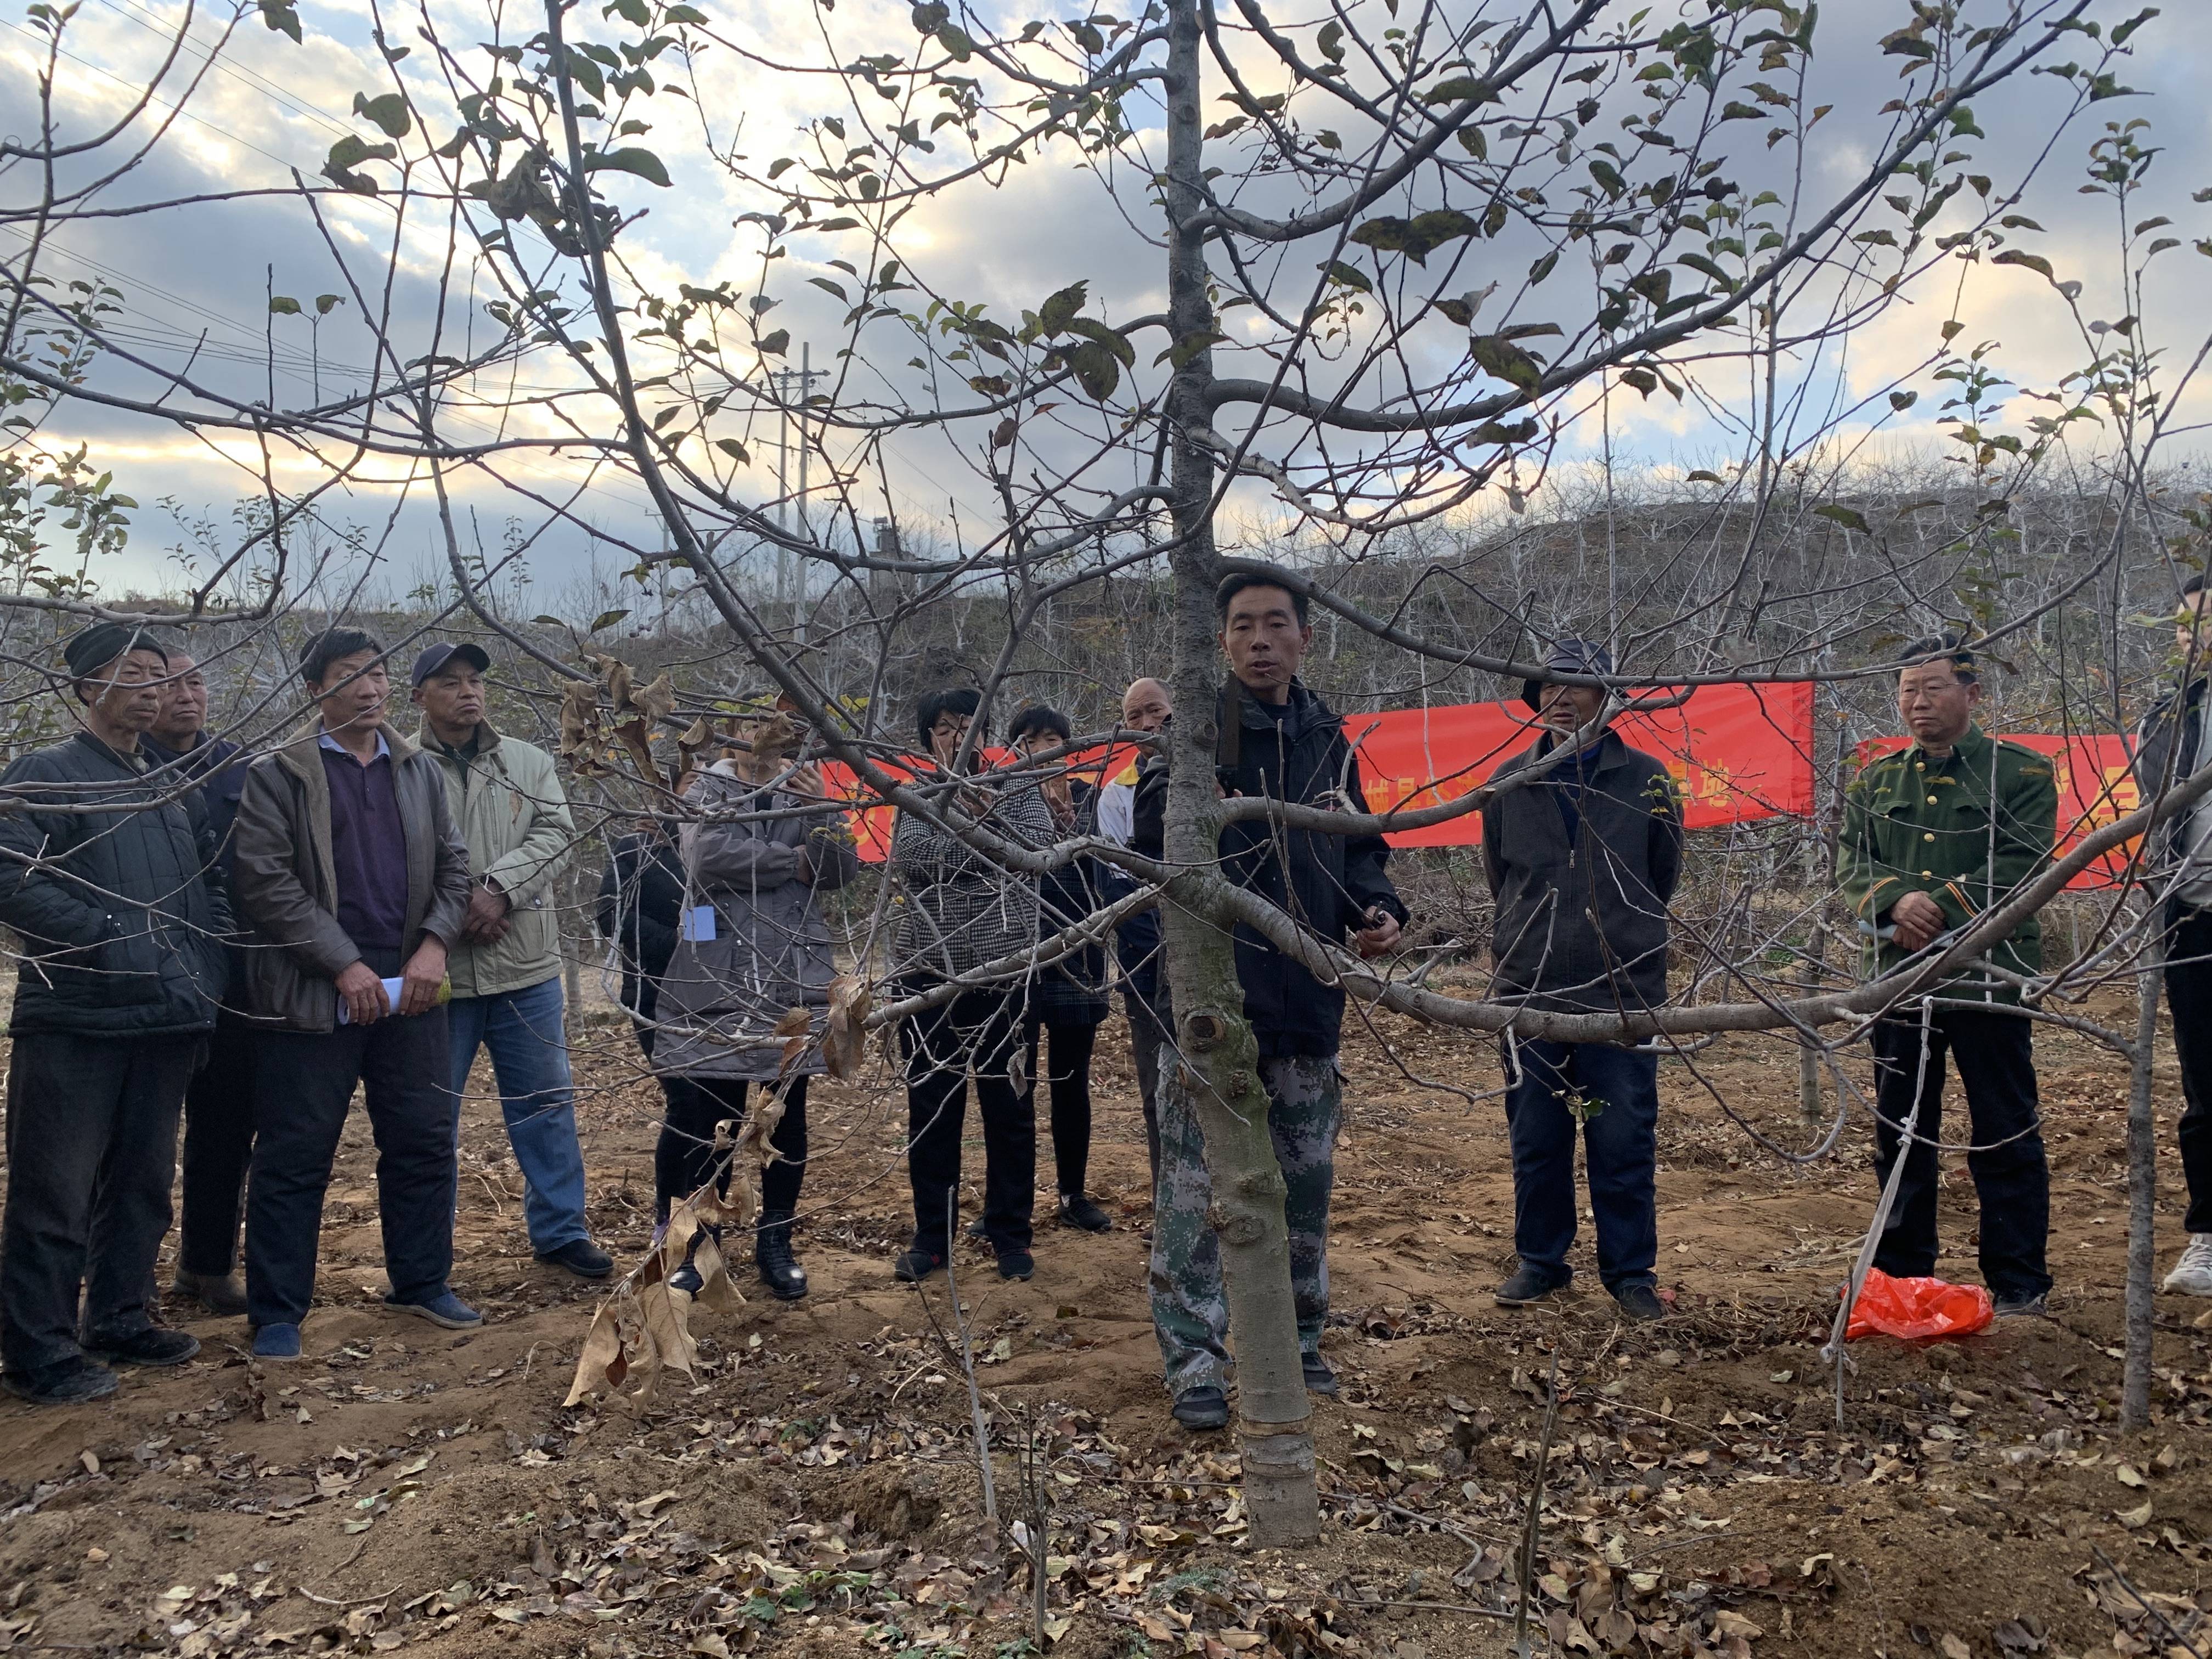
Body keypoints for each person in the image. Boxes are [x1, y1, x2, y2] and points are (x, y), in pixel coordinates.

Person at [1132, 566, 1407, 1431]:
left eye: (1276, 624)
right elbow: (1149, 836)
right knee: (1195, 1192)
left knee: (1302, 1186)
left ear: (1304, 638)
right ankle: (1196, 1364)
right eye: (1243, 625)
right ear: (1220, 642)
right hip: (1218, 1002)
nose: (1259, 639)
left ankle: (1299, 1340)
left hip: (1310, 1000)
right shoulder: (1190, 738)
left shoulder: (1329, 738)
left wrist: (1380, 909)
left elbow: (1362, 844)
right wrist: (1197, 810)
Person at [232, 629, 476, 1362]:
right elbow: (263, 882)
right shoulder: (279, 773)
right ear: (316, 690)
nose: (369, 687)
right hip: (315, 991)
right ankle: (277, 1309)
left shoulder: (417, 770)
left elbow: (456, 869)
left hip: (412, 987)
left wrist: (435, 944)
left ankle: (421, 1281)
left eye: (376, 671)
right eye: (349, 676)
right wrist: (342, 964)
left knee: (424, 1139)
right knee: (297, 1152)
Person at [0, 625, 229, 1405]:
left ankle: (121, 1317)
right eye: (132, 674)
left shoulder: (167, 783)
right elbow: (10, 878)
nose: (154, 690)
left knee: (140, 1184)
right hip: (76, 1020)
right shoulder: (45, 773)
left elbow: (208, 887)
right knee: (53, 1194)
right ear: (85, 688)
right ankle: (39, 1351)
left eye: (162, 676)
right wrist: (108, 939)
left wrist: (206, 968)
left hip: (165, 1017)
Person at [1839, 633, 2058, 1318]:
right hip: (1900, 981)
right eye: (1907, 689)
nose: (1918, 702)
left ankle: (2019, 1278)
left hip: (1987, 979)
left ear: (1972, 692)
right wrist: (1890, 902)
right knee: (1901, 1133)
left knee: (2004, 1129)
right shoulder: (1877, 780)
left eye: (1933, 687)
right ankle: (1905, 1276)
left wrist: (1939, 908)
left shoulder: (2020, 774)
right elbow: (1851, 858)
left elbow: (2023, 863)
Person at [1482, 640, 1684, 1323]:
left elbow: (1662, 876)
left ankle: (1630, 1273)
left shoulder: (1647, 779)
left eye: (1578, 686)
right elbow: (1503, 880)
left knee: (1623, 1137)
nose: (1560, 699)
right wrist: (1525, 944)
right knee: (1536, 1136)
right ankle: (1541, 1261)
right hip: (1527, 989)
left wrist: (1622, 936)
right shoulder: (1510, 781)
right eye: (1548, 687)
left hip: (1621, 993)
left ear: (1607, 697)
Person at [412, 642, 611, 1280]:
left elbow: (558, 833)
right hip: (438, 975)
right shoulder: (399, 765)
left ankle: (560, 1231)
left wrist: (498, 889)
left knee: (546, 1106)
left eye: (475, 682)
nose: (469, 693)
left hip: (525, 967)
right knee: (428, 1119)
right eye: (450, 683)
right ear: (419, 696)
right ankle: (424, 1253)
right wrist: (452, 914)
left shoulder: (525, 760)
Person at [650, 718, 858, 1300]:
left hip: (795, 975)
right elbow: (706, 855)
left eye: (777, 730)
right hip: (720, 976)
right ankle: (698, 1244)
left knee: (787, 1115)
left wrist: (820, 811)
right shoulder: (709, 790)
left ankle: (776, 1240)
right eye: (751, 727)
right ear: (733, 734)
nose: (764, 741)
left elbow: (841, 869)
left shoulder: (808, 786)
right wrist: (792, 861)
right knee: (710, 1116)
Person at [890, 687, 1056, 1284]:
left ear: (986, 734)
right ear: (926, 737)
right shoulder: (914, 791)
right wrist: (986, 839)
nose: (955, 736)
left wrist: (971, 834)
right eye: (942, 727)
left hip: (1007, 971)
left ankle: (1011, 1232)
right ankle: (931, 1236)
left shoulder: (1018, 783)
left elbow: (1036, 848)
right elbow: (911, 857)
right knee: (931, 1110)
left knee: (1008, 1108)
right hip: (926, 972)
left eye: (967, 725)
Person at [141, 649, 257, 1317]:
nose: (186, 696)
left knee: (225, 1128)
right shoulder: (121, 769)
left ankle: (207, 1267)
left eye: (196, 682)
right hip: (148, 978)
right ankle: (118, 1289)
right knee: (139, 1142)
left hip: (236, 978)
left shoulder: (241, 766)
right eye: (167, 684)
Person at [2134, 574, 2212, 1295]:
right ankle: (2210, 1238)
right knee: (2206, 1083)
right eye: (2185, 625)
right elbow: (2158, 812)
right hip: (2196, 917)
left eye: (2205, 622)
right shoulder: (2168, 717)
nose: (2192, 636)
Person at [1007, 705, 1113, 1233]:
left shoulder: (1097, 802)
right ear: (1016, 753)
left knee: (1071, 1082)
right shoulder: (1003, 806)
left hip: (1082, 955)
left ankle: (1073, 1195)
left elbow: (1116, 872)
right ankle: (1014, 1207)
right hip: (1020, 959)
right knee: (1015, 1085)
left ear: (1070, 749)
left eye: (1053, 739)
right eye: (1031, 742)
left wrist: (1075, 829)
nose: (1044, 749)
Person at [1099, 677, 1173, 1187]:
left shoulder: (1211, 776)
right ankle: (1170, 1205)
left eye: (1157, 712)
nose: (1148, 725)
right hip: (1147, 969)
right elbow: (1124, 892)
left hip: (1222, 960)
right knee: (1157, 1089)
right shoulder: (1115, 795)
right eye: (1135, 717)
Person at [594, 777, 691, 1061]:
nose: (704, 789)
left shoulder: (715, 844)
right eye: (694, 781)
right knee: (683, 1095)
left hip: (719, 993)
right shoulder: (635, 848)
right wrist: (676, 942)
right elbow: (610, 914)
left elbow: (708, 903)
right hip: (653, 990)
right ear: (667, 792)